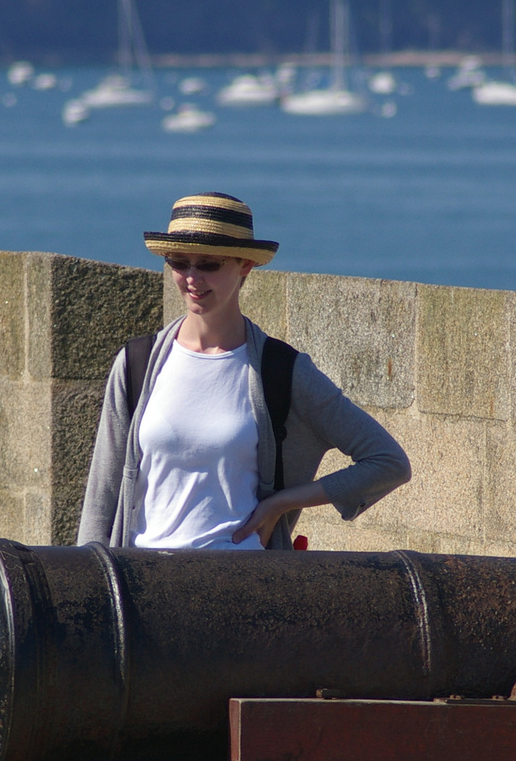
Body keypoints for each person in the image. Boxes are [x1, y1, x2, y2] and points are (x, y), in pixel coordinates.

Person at [78, 192, 410, 550]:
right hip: (142, 583)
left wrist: (281, 503)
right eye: (178, 262)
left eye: (209, 264)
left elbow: (387, 462)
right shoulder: (136, 363)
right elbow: (102, 497)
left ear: (245, 266)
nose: (192, 278)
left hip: (242, 586)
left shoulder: (281, 370)